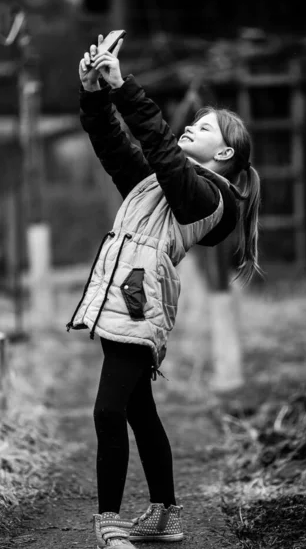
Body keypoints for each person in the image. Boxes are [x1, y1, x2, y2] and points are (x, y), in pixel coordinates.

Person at [66, 34, 261, 549]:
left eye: (199, 128)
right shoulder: (158, 182)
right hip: (121, 296)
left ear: (222, 152)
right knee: (137, 410)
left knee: (108, 411)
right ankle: (165, 514)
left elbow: (160, 150)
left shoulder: (210, 198)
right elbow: (115, 146)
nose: (186, 131)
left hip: (138, 301)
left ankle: (108, 519)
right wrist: (93, 93)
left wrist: (124, 86)